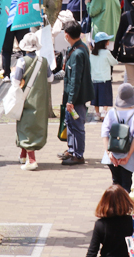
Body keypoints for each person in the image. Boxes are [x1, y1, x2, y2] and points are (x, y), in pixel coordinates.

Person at [12, 32, 51, 171]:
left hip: (25, 99)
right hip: (40, 101)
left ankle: (32, 160)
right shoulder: (44, 61)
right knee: (32, 126)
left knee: (26, 126)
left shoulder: (21, 61)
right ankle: (23, 155)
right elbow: (50, 79)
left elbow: (16, 82)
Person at [60, 23, 93, 166]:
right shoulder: (79, 47)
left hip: (76, 98)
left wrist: (71, 100)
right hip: (74, 97)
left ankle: (78, 154)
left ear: (67, 34)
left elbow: (75, 79)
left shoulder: (78, 52)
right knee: (71, 123)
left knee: (77, 125)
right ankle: (72, 150)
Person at [101, 83, 134, 191]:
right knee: (127, 185)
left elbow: (104, 134)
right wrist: (128, 156)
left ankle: (114, 206)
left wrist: (109, 153)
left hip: (112, 156)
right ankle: (125, 207)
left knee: (115, 184)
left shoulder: (111, 113)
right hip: (129, 157)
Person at [91, 32, 118, 121]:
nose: (108, 41)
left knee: (95, 97)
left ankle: (97, 113)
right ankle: (104, 112)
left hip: (94, 78)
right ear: (104, 42)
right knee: (105, 96)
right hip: (105, 78)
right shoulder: (106, 52)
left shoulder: (92, 53)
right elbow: (114, 62)